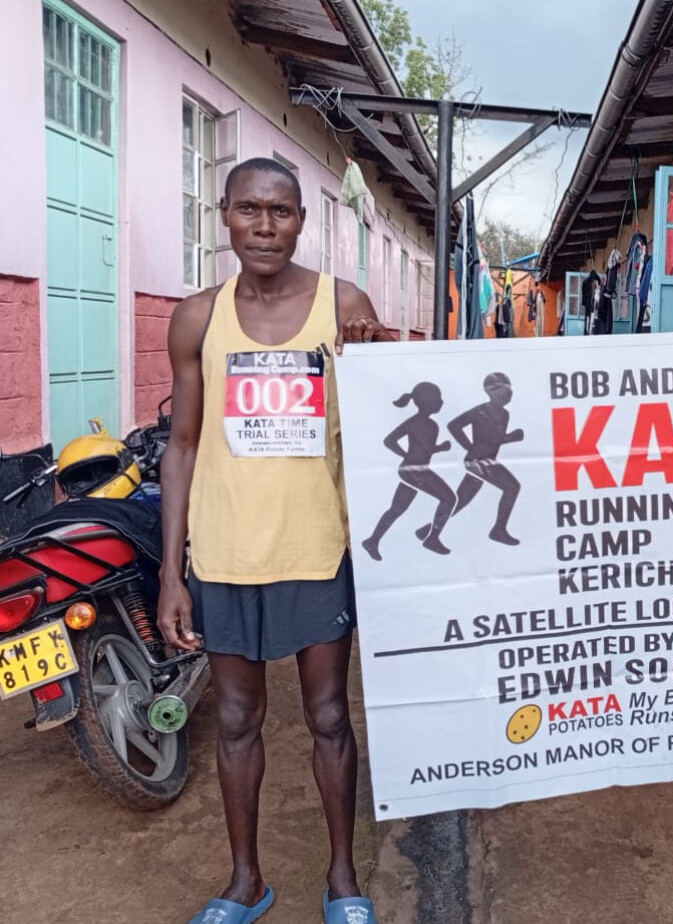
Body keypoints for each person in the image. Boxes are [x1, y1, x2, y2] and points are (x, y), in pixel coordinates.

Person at [159, 157, 394, 924]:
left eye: (281, 211)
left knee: (329, 717)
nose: (265, 226)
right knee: (235, 720)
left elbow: (386, 430)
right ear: (224, 214)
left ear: (301, 221)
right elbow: (182, 445)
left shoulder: (343, 304)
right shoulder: (197, 318)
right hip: (225, 555)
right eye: (250, 209)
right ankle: (245, 882)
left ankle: (343, 879)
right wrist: (171, 573)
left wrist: (371, 359)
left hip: (316, 549)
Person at [361, 382, 456, 559]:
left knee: (397, 508)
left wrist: (438, 448)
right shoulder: (420, 423)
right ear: (428, 401)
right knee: (449, 498)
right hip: (415, 471)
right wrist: (406, 455)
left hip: (412, 469)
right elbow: (389, 441)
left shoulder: (428, 424)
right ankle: (432, 538)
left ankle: (372, 541)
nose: (441, 402)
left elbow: (425, 449)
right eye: (437, 398)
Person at [445, 372, 524, 545]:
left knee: (461, 499)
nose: (508, 395)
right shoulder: (480, 411)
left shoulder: (504, 414)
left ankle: (427, 531)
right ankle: (498, 530)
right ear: (490, 392)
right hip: (478, 460)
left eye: (509, 391)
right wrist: (470, 448)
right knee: (512, 487)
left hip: (486, 459)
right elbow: (453, 426)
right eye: (503, 391)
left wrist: (511, 437)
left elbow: (495, 439)